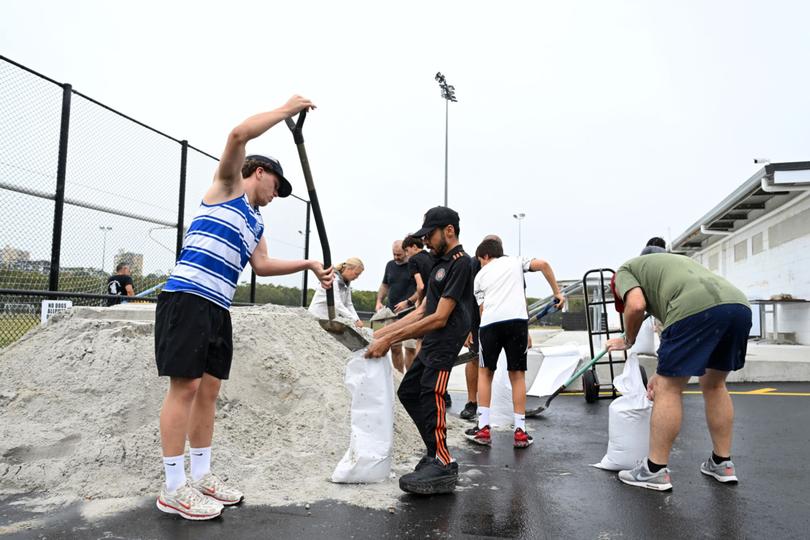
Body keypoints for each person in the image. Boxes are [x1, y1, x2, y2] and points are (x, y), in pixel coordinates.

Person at [154, 96, 333, 520]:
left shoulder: (255, 221)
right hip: (188, 296)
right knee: (186, 388)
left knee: (209, 391)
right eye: (276, 185)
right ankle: (173, 487)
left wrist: (308, 264)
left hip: (218, 307)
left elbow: (262, 265)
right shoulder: (227, 188)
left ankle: (201, 475)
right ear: (259, 172)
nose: (277, 194)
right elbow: (238, 134)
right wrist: (286, 110)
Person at [606, 252, 751, 491]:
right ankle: (722, 463)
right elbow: (673, 332)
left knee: (668, 390)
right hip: (737, 306)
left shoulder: (624, 271)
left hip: (696, 308)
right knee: (714, 385)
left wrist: (627, 339)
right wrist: (661, 373)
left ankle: (654, 470)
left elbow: (636, 305)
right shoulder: (672, 267)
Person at [366, 206, 472, 495]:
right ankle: (433, 451)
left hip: (446, 338)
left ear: (449, 231)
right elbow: (424, 309)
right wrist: (381, 332)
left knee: (431, 392)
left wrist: (389, 340)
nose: (426, 242)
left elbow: (439, 317)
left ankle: (442, 460)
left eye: (430, 235)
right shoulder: (438, 264)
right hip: (434, 337)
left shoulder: (461, 263)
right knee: (409, 391)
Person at [464, 238, 565, 448]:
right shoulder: (517, 261)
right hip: (517, 323)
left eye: (480, 261)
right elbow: (544, 265)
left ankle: (483, 428)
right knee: (517, 375)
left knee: (486, 373)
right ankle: (520, 431)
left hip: (490, 324)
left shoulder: (479, 277)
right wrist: (557, 292)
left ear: (484, 256)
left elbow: (482, 312)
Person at [459, 234, 503, 421]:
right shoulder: (471, 265)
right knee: (475, 359)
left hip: (503, 317)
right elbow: (463, 297)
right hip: (476, 319)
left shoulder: (507, 265)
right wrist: (467, 328)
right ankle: (472, 402)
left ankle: (501, 403)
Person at [375, 240, 417, 373]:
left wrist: (408, 302)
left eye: (399, 255)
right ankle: (399, 376)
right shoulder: (390, 265)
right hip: (391, 312)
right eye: (394, 254)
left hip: (410, 312)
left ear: (406, 251)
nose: (396, 257)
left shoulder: (414, 265)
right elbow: (385, 285)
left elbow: (422, 288)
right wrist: (379, 301)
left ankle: (409, 380)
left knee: (410, 347)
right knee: (394, 346)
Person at [308, 257, 365, 328]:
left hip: (327, 320)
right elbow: (337, 304)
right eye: (356, 274)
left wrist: (357, 320)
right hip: (316, 317)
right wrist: (354, 320)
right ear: (348, 269)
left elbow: (348, 304)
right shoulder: (333, 278)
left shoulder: (347, 284)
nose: (357, 277)